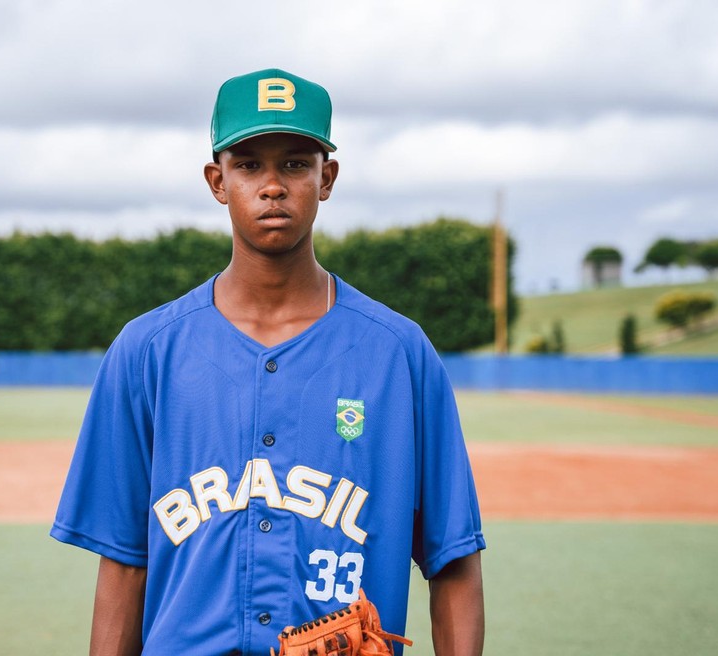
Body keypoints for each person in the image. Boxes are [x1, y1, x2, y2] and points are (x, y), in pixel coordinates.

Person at [51, 68, 486, 656]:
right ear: (217, 180)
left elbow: (452, 558)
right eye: (249, 164)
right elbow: (126, 564)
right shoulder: (147, 351)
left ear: (326, 177)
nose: (273, 185)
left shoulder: (399, 353)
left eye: (295, 163)